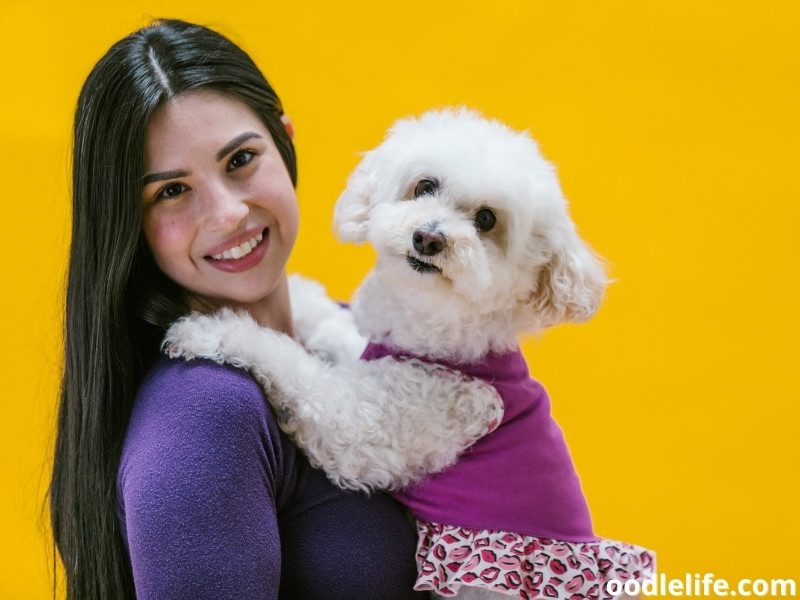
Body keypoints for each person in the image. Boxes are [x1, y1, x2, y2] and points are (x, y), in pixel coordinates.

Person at [49, 19, 422, 600]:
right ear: (127, 225)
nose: (226, 214)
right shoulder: (207, 410)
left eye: (240, 160)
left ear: (285, 139)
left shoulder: (358, 334)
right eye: (171, 191)